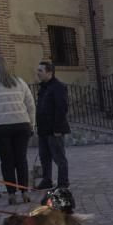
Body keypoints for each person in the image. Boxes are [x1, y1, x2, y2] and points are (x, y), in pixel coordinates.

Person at [0, 56, 35, 205]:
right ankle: (24, 192)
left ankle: (11, 194)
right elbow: (30, 104)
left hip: (0, 127)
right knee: (21, 160)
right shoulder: (19, 82)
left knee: (7, 161)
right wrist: (32, 125)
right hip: (22, 124)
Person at [35, 61, 70, 189]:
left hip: (54, 129)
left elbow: (62, 108)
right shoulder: (43, 87)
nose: (37, 73)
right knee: (44, 157)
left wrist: (57, 128)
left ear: (49, 72)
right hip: (43, 129)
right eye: (37, 70)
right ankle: (47, 180)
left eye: (40, 71)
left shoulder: (58, 87)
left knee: (59, 157)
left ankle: (63, 182)